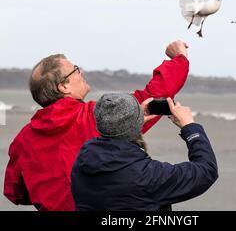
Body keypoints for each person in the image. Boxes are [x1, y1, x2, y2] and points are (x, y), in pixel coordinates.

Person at [3, 40, 189, 211]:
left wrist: (49, 194)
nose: (81, 72)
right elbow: (151, 97)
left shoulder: (23, 139)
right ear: (63, 87)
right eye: (75, 70)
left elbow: (15, 192)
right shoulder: (94, 117)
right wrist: (179, 59)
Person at [71, 94, 218, 211]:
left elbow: (115, 146)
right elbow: (206, 170)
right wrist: (190, 127)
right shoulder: (146, 176)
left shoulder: (83, 160)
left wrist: (132, 126)